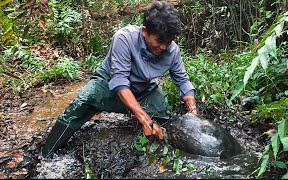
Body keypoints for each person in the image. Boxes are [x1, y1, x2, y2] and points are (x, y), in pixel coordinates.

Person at [41, 0, 198, 158]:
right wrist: (145, 119)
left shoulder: (172, 51)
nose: (163, 47)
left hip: (143, 88)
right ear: (144, 31)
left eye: (168, 42)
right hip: (108, 83)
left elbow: (183, 81)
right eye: (159, 41)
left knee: (162, 114)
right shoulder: (124, 38)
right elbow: (120, 82)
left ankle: (142, 150)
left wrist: (193, 112)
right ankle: (46, 154)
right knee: (81, 104)